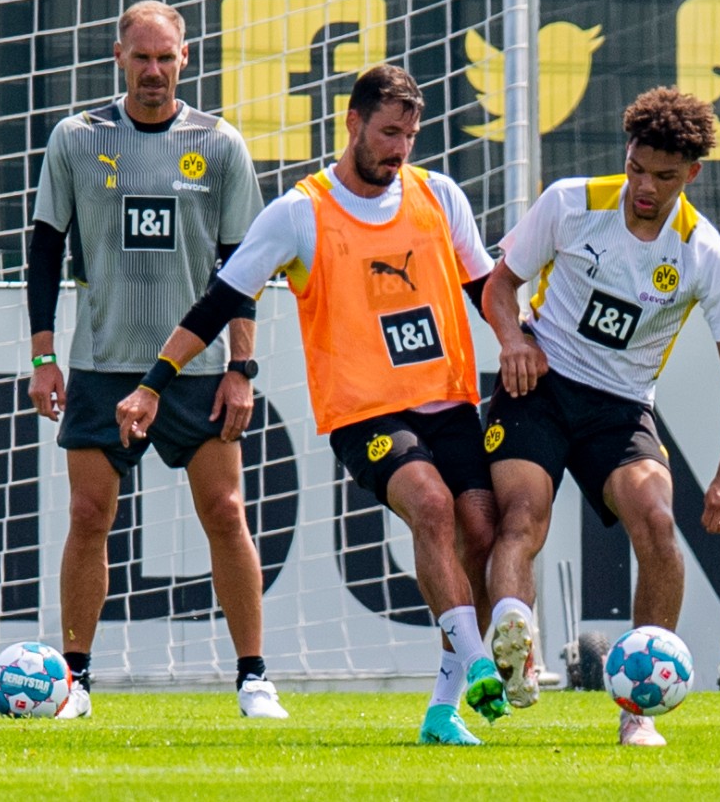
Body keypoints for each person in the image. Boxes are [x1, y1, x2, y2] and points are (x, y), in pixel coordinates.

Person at [115, 64, 510, 745]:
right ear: (352, 123)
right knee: (432, 506)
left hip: (448, 401)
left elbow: (484, 285)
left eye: (409, 136)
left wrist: (521, 338)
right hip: (367, 415)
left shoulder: (439, 195)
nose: (398, 148)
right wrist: (153, 381)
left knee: (479, 530)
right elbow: (217, 304)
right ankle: (479, 663)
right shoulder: (300, 212)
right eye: (388, 132)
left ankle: (444, 711)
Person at [25, 0, 287, 721]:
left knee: (226, 510)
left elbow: (243, 267)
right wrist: (44, 355)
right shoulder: (77, 139)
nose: (153, 71)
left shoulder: (221, 143)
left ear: (186, 57)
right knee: (88, 515)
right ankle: (74, 682)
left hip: (198, 371)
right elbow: (45, 248)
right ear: (118, 57)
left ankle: (254, 677)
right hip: (103, 363)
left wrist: (242, 367)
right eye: (140, 57)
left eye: (165, 57)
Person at [481, 86, 720, 746]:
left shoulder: (704, 254)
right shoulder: (571, 203)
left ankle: (636, 710)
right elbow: (500, 286)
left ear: (691, 175)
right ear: (626, 154)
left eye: (663, 177)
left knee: (660, 526)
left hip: (622, 407)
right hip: (542, 383)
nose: (643, 186)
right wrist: (514, 340)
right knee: (521, 517)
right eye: (637, 167)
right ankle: (515, 650)